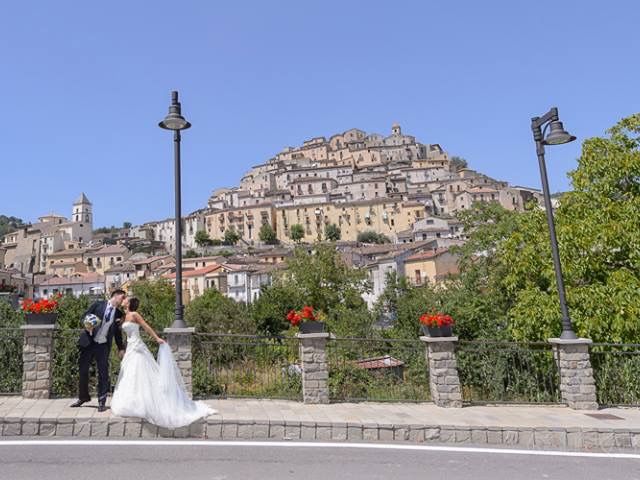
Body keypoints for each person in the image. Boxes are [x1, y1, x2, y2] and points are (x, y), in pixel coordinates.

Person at [110, 296, 215, 429]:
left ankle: (145, 403)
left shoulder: (135, 315)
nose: (124, 300)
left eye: (126, 299)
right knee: (130, 374)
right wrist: (123, 348)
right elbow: (126, 335)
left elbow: (145, 326)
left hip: (137, 348)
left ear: (129, 303)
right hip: (130, 347)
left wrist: (157, 338)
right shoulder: (124, 316)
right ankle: (131, 401)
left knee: (139, 372)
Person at [71, 289, 127, 412]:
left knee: (103, 373)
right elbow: (84, 316)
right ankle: (83, 397)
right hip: (89, 343)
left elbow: (117, 333)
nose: (123, 300)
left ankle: (102, 400)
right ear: (115, 296)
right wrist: (87, 326)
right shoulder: (98, 304)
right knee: (83, 370)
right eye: (122, 297)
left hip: (103, 346)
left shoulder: (118, 313)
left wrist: (120, 348)